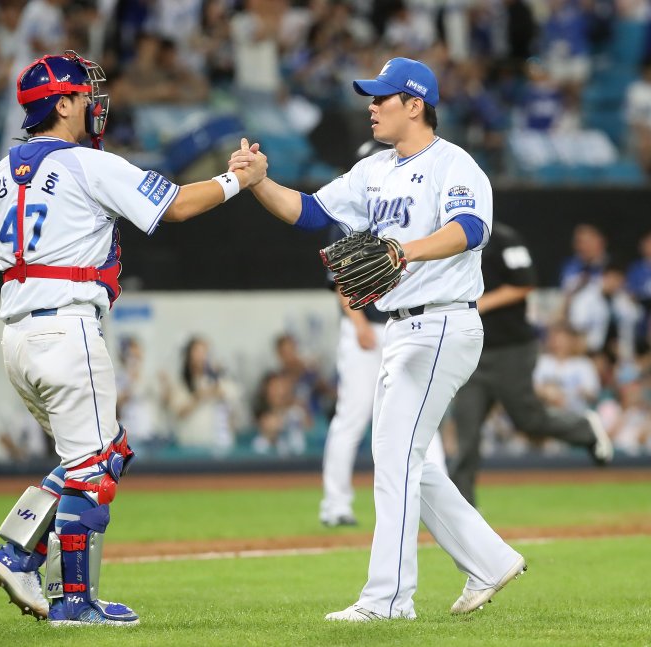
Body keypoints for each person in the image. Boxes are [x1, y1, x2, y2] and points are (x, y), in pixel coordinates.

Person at [0, 50, 267, 627]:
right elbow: (178, 206)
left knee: (105, 452)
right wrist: (238, 178)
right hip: (68, 328)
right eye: (82, 94)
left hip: (18, 336)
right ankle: (71, 602)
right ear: (61, 104)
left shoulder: (1, 172)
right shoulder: (86, 164)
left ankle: (19, 552)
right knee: (92, 467)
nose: (92, 102)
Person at [230, 56, 526, 621]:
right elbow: (313, 213)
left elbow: (470, 230)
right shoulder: (375, 171)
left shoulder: (455, 165)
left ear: (415, 105)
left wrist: (403, 251)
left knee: (393, 454)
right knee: (406, 456)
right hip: (401, 327)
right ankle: (489, 559)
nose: (371, 105)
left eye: (382, 97)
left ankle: (388, 600)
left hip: (443, 321)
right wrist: (259, 181)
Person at [449, 224, 614, 506]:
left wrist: (479, 302)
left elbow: (525, 282)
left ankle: (584, 429)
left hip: (510, 347)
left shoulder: (503, 238)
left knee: (528, 420)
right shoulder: (446, 240)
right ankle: (465, 518)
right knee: (466, 434)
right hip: (470, 352)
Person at [320, 223, 448, 528]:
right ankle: (335, 505)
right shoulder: (347, 218)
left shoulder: (405, 211)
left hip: (405, 324)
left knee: (420, 411)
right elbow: (340, 280)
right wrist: (358, 323)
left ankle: (441, 505)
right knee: (353, 416)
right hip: (364, 327)